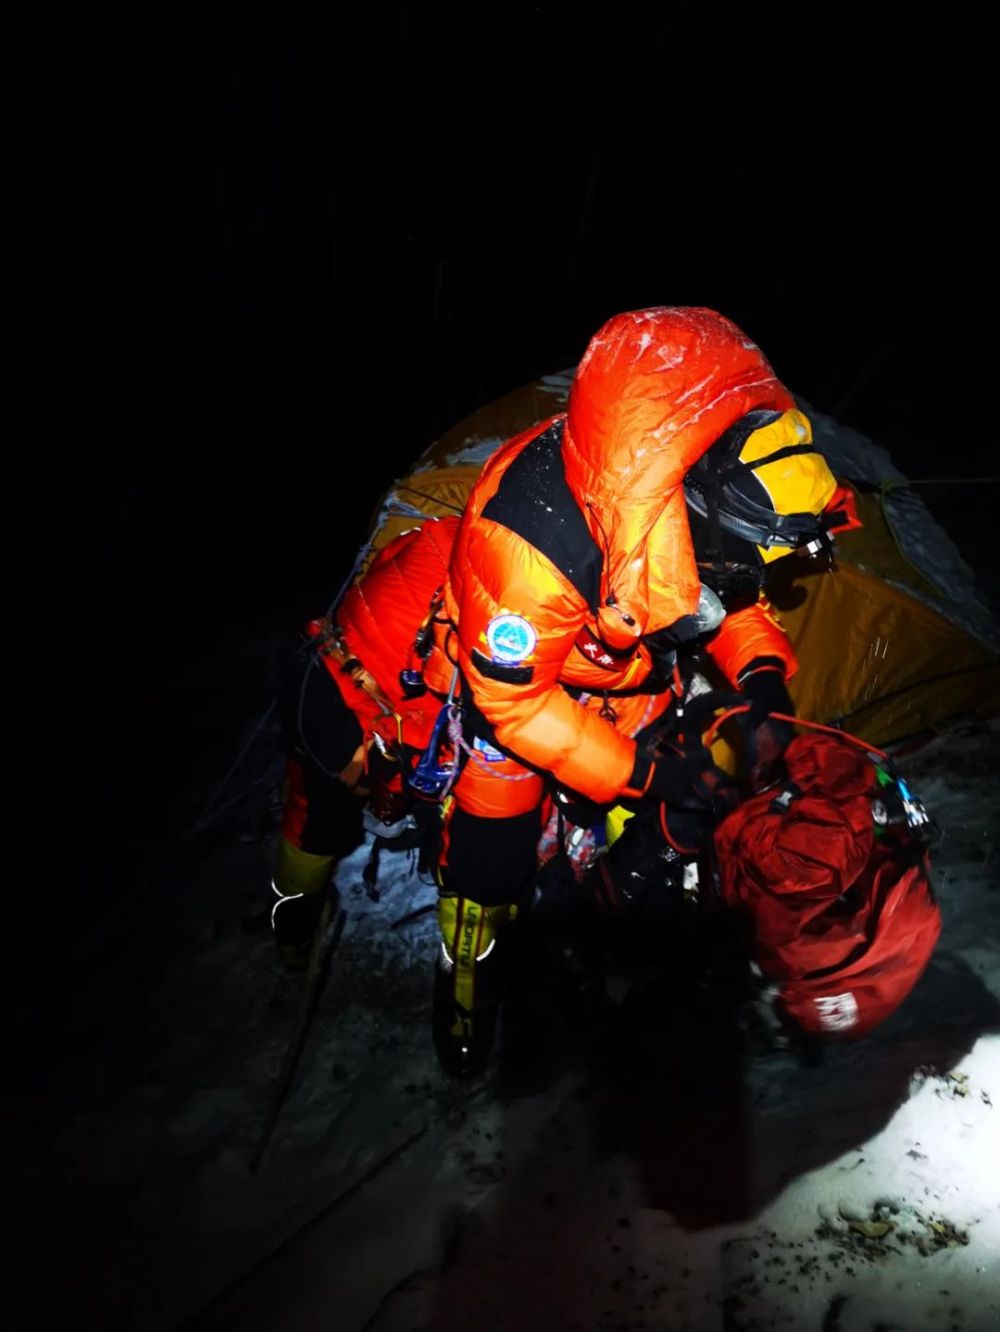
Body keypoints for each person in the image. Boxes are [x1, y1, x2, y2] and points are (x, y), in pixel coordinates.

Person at [271, 305, 854, 1076]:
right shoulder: (530, 548)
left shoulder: (672, 483)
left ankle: (607, 940)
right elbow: (513, 706)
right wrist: (643, 773)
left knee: (652, 807)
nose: (760, 580)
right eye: (758, 559)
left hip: (581, 675)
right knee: (471, 861)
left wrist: (763, 675)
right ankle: (445, 992)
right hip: (457, 682)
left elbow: (716, 593)